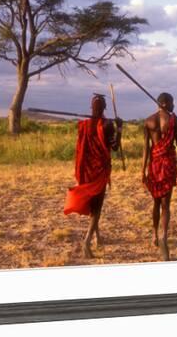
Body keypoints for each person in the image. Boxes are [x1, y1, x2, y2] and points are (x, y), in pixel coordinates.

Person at [64, 94, 122, 258]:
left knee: (94, 205)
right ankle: (87, 241)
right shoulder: (107, 125)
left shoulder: (84, 125)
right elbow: (115, 147)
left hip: (86, 170)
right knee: (97, 208)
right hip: (99, 172)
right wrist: (120, 129)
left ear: (92, 108)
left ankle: (97, 237)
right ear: (104, 108)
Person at [142, 92, 177, 261]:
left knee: (156, 202)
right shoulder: (174, 120)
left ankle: (154, 235)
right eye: (172, 103)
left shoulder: (149, 120)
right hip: (167, 165)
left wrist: (142, 171)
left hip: (153, 166)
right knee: (166, 205)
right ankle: (163, 237)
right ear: (165, 103)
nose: (174, 106)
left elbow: (146, 149)